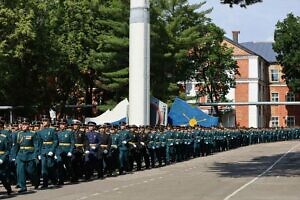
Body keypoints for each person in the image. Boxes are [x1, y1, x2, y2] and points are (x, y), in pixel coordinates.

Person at [14, 118, 40, 193]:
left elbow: (36, 145)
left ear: (28, 125)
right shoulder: (19, 134)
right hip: (20, 154)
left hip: (30, 154)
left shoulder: (33, 133)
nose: (24, 126)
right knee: (20, 171)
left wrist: (35, 155)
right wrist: (14, 156)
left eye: (26, 124)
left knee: (31, 171)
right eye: (23, 124)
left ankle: (36, 181)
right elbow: (16, 146)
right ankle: (23, 187)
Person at [37, 117, 58, 188]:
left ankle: (54, 180)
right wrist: (39, 153)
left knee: (50, 166)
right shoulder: (40, 132)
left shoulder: (52, 130)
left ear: (49, 122)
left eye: (46, 121)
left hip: (50, 150)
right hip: (43, 151)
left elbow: (55, 141)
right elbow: (39, 143)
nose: (44, 122)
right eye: (43, 121)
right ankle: (45, 183)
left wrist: (52, 150)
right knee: (43, 167)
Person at [56, 118, 75, 185]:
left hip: (67, 151)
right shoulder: (57, 133)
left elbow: (72, 142)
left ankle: (72, 177)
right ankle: (61, 180)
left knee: (68, 165)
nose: (61, 126)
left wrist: (70, 151)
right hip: (60, 151)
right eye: (60, 124)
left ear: (66, 125)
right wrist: (56, 152)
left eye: (63, 124)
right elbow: (56, 143)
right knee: (59, 165)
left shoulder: (69, 132)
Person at [0, 120, 12, 194]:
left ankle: (8, 187)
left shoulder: (3, 138)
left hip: (1, 158)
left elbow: (7, 150)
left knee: (2, 176)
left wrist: (2, 159)